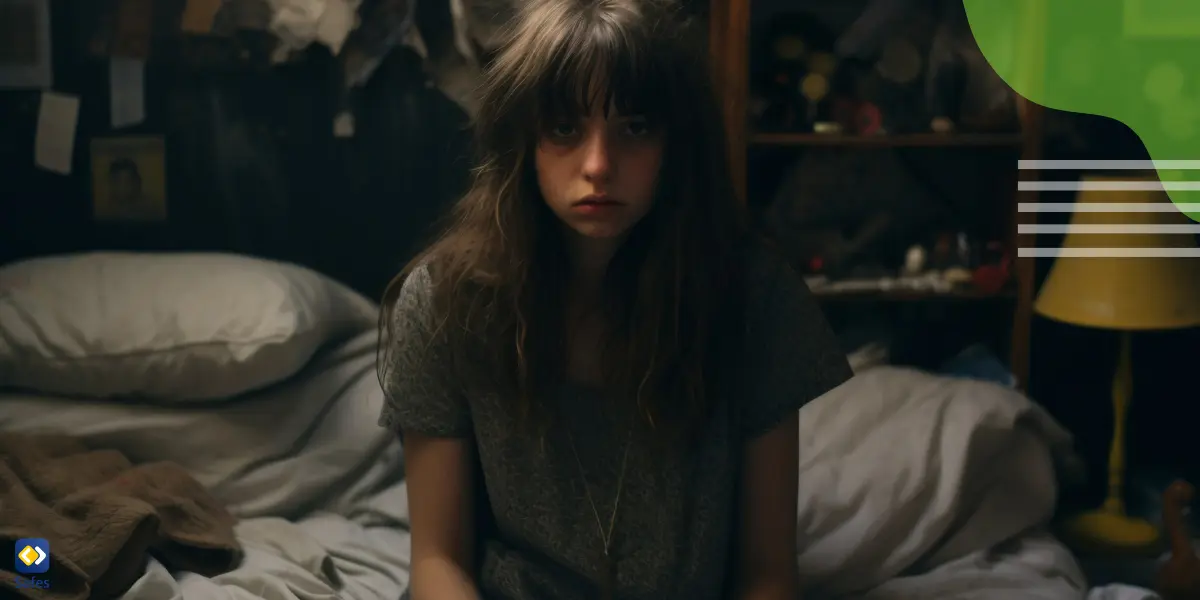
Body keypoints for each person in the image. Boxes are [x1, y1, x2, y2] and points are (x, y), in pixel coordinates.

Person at [376, 0, 853, 598]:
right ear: (522, 140)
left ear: (675, 144)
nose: (599, 165)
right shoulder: (443, 303)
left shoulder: (753, 297)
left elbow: (767, 572)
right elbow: (438, 561)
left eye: (636, 128)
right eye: (565, 128)